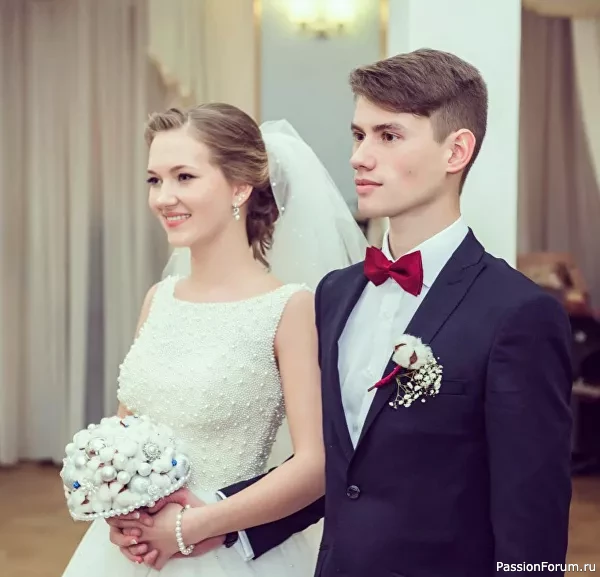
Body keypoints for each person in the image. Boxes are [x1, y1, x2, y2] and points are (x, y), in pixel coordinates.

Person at [114, 49, 574, 576]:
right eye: (358, 135)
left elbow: (532, 519)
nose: (359, 157)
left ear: (456, 151)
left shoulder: (518, 314)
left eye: (388, 136)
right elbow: (340, 467)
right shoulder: (335, 293)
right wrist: (216, 522)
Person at [60, 103, 368, 577]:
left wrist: (196, 525)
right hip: (131, 552)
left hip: (224, 548)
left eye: (184, 177)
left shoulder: (289, 308)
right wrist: (118, 510)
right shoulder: (159, 298)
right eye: (154, 180)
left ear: (240, 187)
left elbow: (314, 465)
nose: (163, 197)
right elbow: (124, 434)